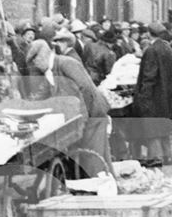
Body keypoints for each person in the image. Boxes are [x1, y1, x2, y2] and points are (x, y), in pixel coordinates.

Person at [24, 39, 112, 172]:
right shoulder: (50, 70)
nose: (35, 66)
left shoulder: (67, 63)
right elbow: (42, 94)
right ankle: (103, 186)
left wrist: (80, 122)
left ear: (42, 56)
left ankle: (103, 189)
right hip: (82, 117)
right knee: (90, 160)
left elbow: (84, 90)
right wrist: (25, 109)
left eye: (35, 62)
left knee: (94, 159)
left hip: (93, 114)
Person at [132, 22, 172, 166]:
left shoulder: (151, 50)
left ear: (148, 34)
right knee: (163, 125)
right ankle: (167, 156)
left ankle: (155, 157)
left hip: (154, 95)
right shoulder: (167, 48)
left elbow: (149, 76)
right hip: (166, 94)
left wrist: (143, 96)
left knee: (152, 125)